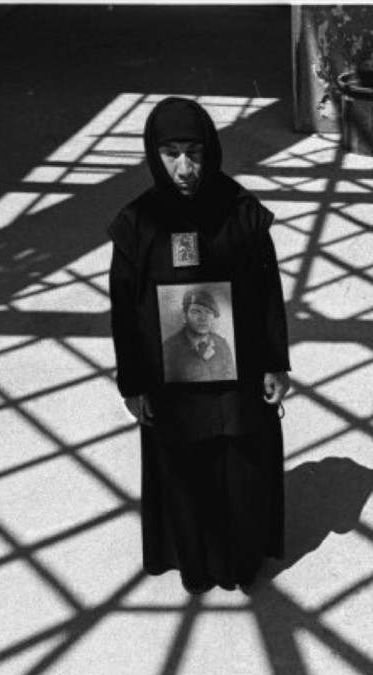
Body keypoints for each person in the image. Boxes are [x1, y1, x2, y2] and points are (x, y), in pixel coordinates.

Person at [107, 96, 291, 595]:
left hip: (238, 372)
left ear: (211, 149)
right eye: (170, 154)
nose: (185, 169)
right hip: (171, 383)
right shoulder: (137, 225)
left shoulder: (242, 214)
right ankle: (195, 563)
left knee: (240, 467)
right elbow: (124, 310)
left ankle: (240, 563)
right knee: (186, 470)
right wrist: (132, 384)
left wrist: (275, 362)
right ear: (153, 154)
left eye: (195, 153)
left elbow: (268, 292)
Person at [161, 286, 237, 382]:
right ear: (184, 316)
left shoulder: (222, 345)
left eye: (208, 312)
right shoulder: (169, 348)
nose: (203, 318)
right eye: (196, 312)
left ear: (213, 318)